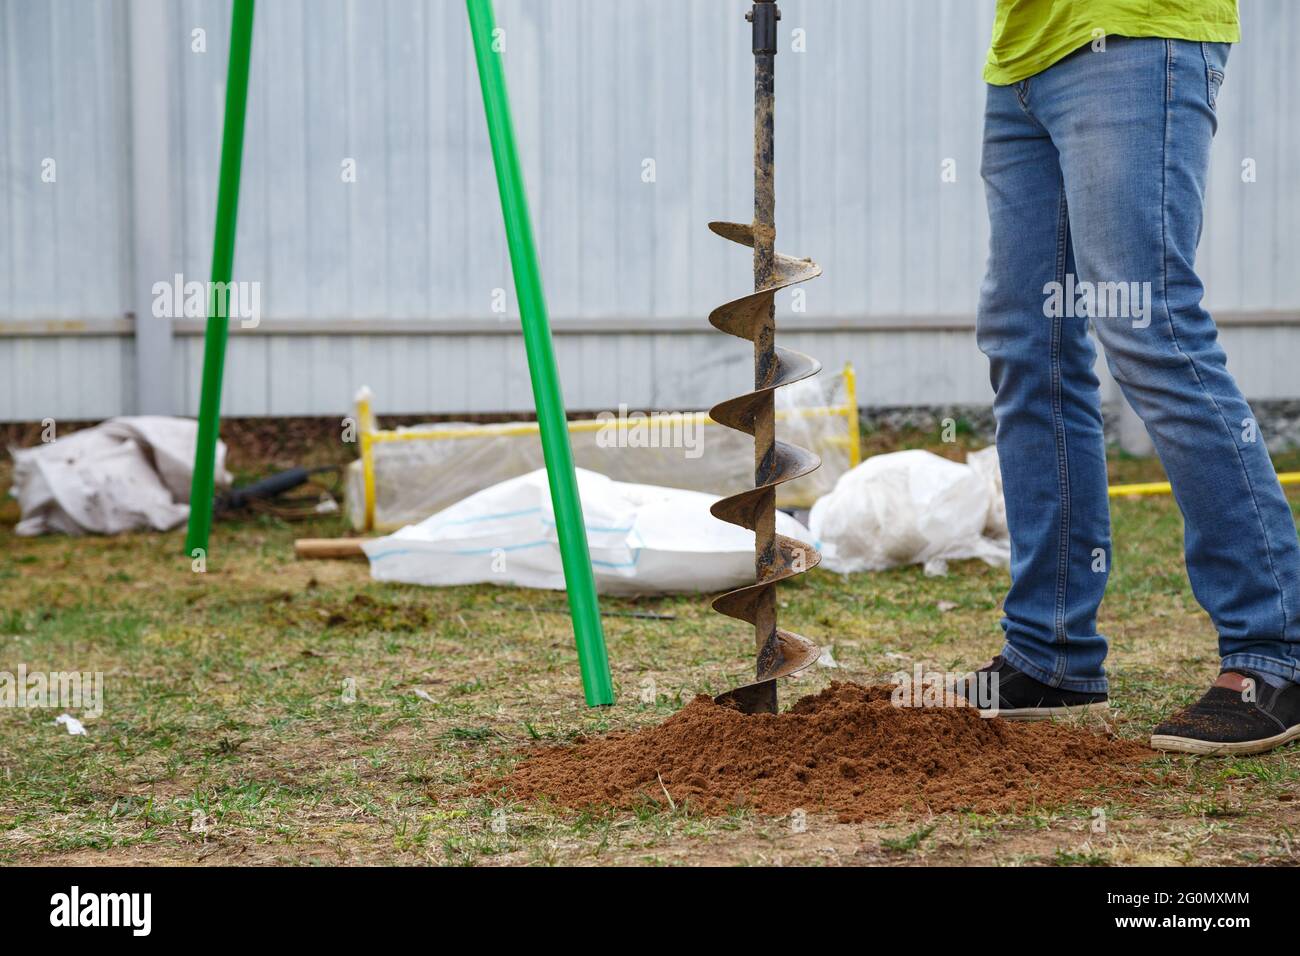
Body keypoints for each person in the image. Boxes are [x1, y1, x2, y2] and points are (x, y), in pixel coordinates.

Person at [968, 0, 1300, 754]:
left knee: (1150, 325)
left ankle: (1272, 650)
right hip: (1023, 55)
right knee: (1026, 341)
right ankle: (1048, 653)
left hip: (1134, 31)